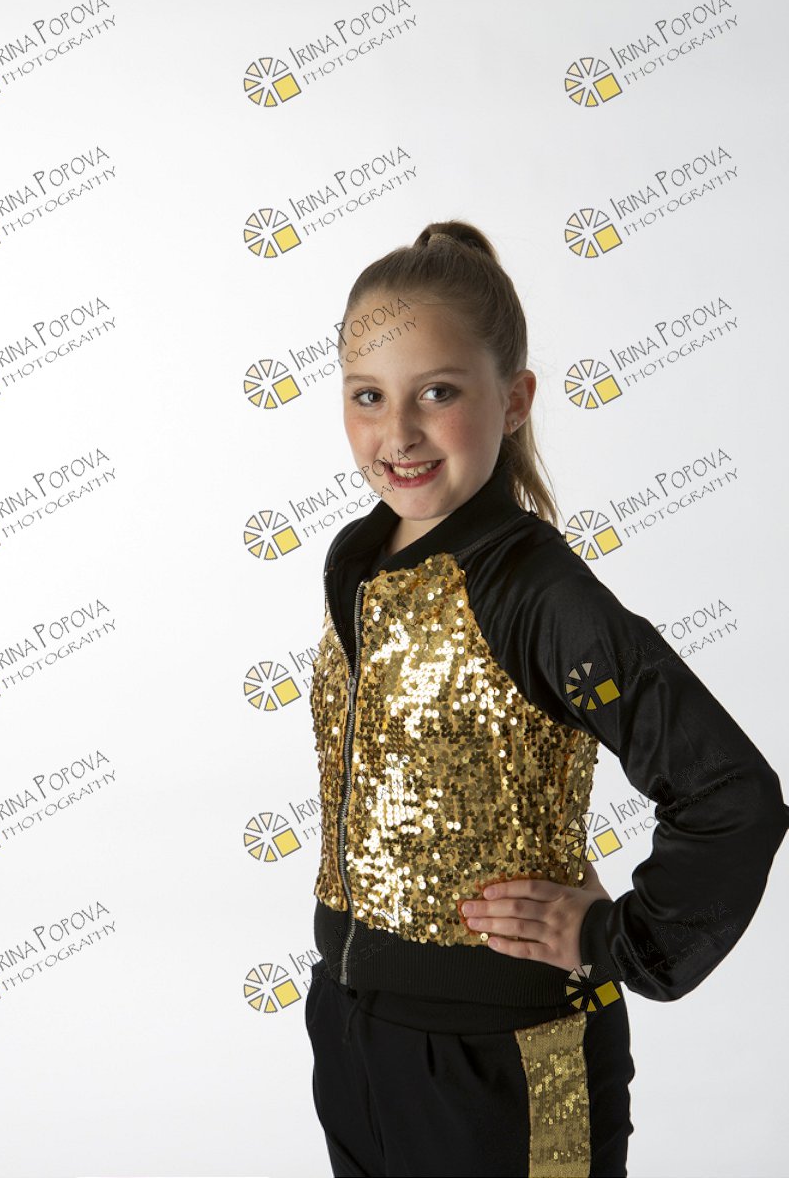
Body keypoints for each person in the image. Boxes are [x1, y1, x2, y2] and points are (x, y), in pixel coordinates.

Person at [303, 220, 788, 1178]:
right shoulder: (358, 560)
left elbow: (731, 793)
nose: (398, 433)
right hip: (356, 1037)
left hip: (509, 1059)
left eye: (439, 392)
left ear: (515, 399)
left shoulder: (537, 593)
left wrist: (622, 939)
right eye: (369, 396)